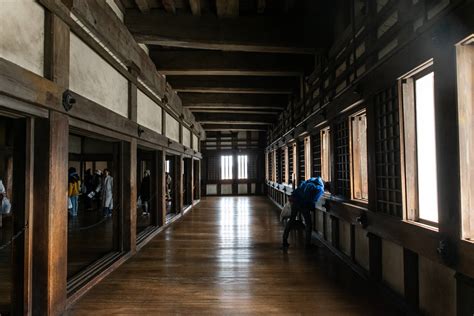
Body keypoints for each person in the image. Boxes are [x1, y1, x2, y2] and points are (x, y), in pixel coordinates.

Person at [282, 176, 330, 250]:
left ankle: (284, 241)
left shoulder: (311, 180)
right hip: (303, 204)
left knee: (291, 220)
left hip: (294, 200)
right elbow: (312, 200)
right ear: (326, 187)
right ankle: (308, 244)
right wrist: (311, 208)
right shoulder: (320, 188)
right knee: (309, 224)